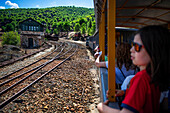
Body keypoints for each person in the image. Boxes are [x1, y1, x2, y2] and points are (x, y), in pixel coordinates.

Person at [97, 25, 170, 113]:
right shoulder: (156, 77)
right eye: (132, 45)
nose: (131, 50)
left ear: (153, 51)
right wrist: (124, 92)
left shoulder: (140, 78)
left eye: (136, 46)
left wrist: (102, 107)